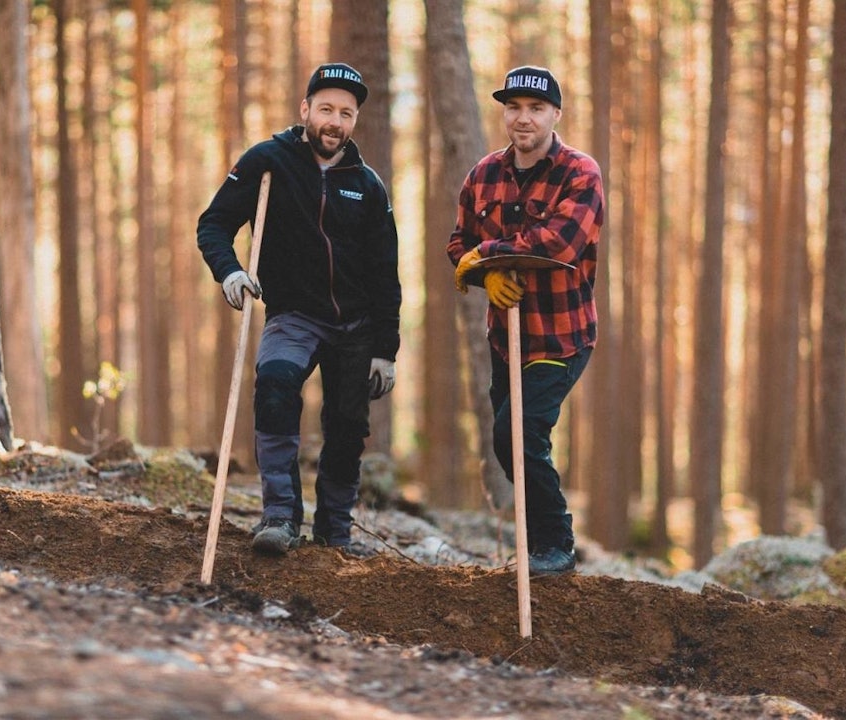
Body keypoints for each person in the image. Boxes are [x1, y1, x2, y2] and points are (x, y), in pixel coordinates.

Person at [197, 62, 401, 556]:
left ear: (354, 121)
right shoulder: (268, 161)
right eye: (326, 109)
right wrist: (230, 272)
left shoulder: (367, 184)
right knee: (274, 385)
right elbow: (214, 224)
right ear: (305, 109)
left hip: (356, 326)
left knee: (347, 426)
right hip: (294, 315)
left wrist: (385, 350)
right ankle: (280, 516)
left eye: (346, 114)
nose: (335, 122)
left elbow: (385, 272)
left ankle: (335, 532)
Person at [447, 66, 604, 575]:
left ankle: (557, 543)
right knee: (507, 441)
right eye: (514, 107)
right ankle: (539, 548)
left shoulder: (580, 173)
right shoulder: (483, 175)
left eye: (536, 108)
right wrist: (483, 274)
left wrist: (486, 256)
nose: (523, 118)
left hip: (561, 337)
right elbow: (459, 243)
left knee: (519, 431)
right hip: (506, 335)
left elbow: (559, 244)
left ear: (556, 114)